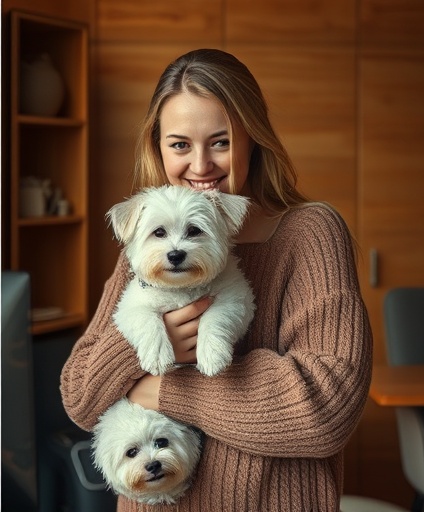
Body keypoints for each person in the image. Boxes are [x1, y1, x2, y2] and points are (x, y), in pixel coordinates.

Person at [60, 48, 373, 511]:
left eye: (221, 141)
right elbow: (80, 396)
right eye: (180, 144)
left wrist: (156, 387)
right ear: (158, 147)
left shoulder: (309, 233)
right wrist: (146, 342)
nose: (201, 166)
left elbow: (324, 411)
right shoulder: (152, 245)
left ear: (253, 139)